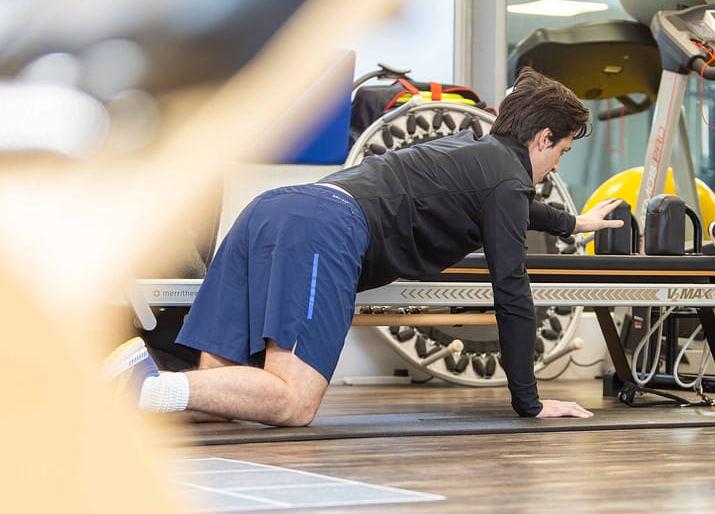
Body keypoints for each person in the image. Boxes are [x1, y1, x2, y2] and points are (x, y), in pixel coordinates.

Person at [104, 68, 624, 426]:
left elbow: (517, 208)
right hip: (324, 227)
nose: (558, 164)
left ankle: (114, 400)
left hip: (270, 213)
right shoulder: (507, 180)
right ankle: (141, 383)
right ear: (542, 138)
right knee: (294, 401)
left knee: (216, 397)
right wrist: (529, 403)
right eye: (562, 150)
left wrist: (574, 222)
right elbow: (512, 292)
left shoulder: (471, 149)